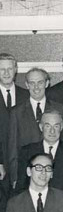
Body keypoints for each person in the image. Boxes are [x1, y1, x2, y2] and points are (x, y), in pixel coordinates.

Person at [8, 68, 63, 188]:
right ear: (27, 85)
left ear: (47, 83)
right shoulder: (16, 112)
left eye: (40, 82)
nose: (36, 87)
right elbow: (12, 149)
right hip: (28, 177)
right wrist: (15, 178)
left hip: (56, 176)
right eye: (32, 83)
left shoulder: (60, 109)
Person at [16, 110, 63, 196]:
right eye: (48, 126)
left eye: (56, 126)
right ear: (41, 127)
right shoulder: (27, 151)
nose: (52, 131)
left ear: (62, 127)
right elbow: (21, 186)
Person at [0, 53, 29, 195]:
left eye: (9, 69)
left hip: (21, 163)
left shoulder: (27, 96)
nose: (6, 73)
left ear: (16, 69)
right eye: (2, 69)